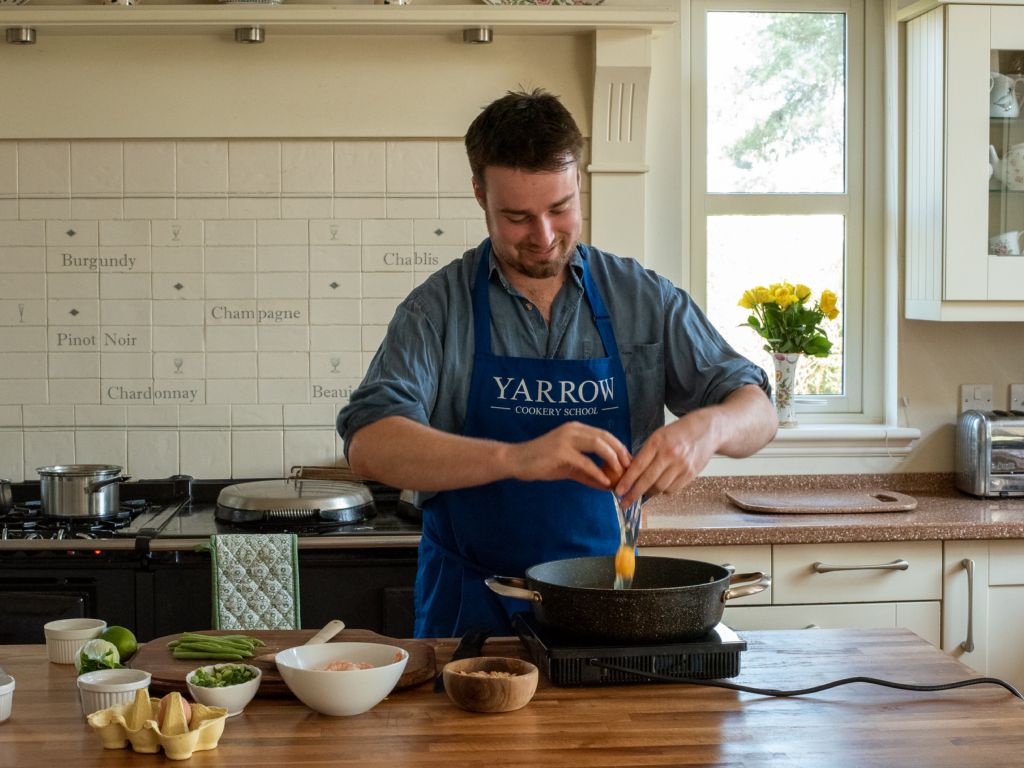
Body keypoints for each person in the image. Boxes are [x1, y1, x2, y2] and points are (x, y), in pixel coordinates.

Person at [337, 88, 777, 639]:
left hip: (606, 605)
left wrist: (707, 428)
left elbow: (758, 411)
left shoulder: (642, 299)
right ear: (479, 195)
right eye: (518, 216)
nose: (544, 237)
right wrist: (518, 457)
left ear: (579, 185)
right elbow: (369, 444)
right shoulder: (438, 309)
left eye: (560, 209)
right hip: (469, 611)